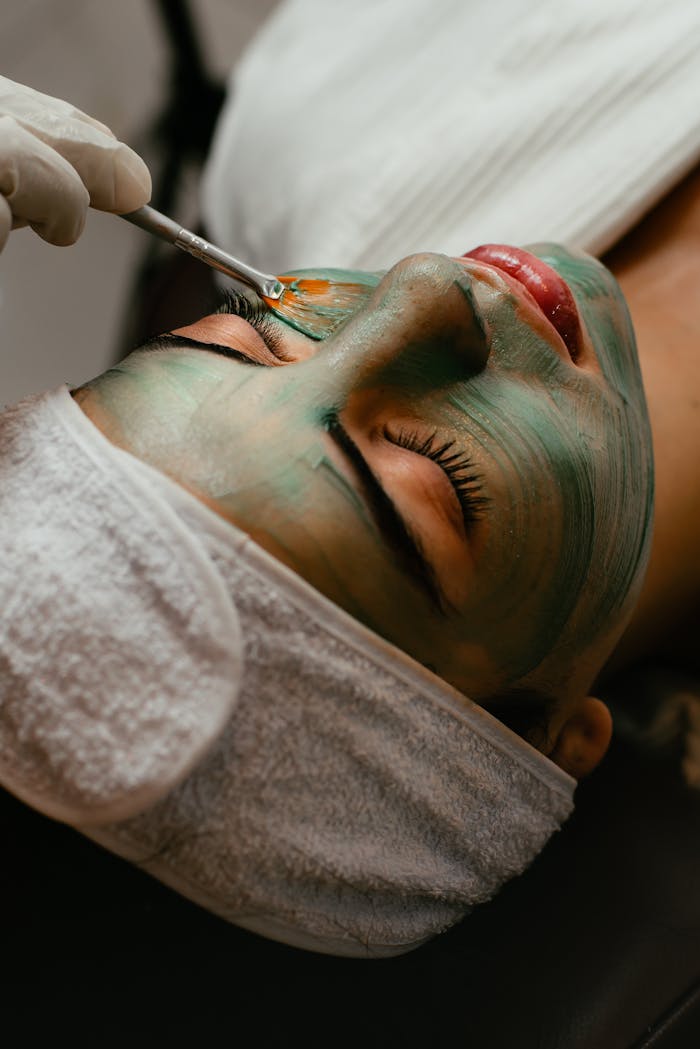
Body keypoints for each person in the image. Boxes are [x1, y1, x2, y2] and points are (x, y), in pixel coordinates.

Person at [0, 73, 666, 957]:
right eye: (434, 475)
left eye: (248, 334)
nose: (425, 283)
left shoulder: (301, 135)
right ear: (556, 734)